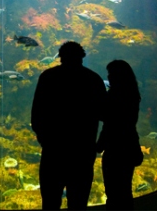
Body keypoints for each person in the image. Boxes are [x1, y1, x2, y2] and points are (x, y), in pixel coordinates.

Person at [31, 41, 106, 210]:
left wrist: (44, 139)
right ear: (82, 56)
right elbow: (105, 114)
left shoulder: (48, 77)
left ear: (60, 57)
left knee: (50, 202)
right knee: (78, 202)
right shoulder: (93, 79)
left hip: (53, 150)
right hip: (83, 151)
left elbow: (37, 114)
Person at [96, 59, 143, 210]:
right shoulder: (132, 93)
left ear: (119, 76)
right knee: (124, 190)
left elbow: (107, 119)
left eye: (111, 74)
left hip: (116, 148)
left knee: (113, 191)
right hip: (129, 146)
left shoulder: (116, 94)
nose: (109, 77)